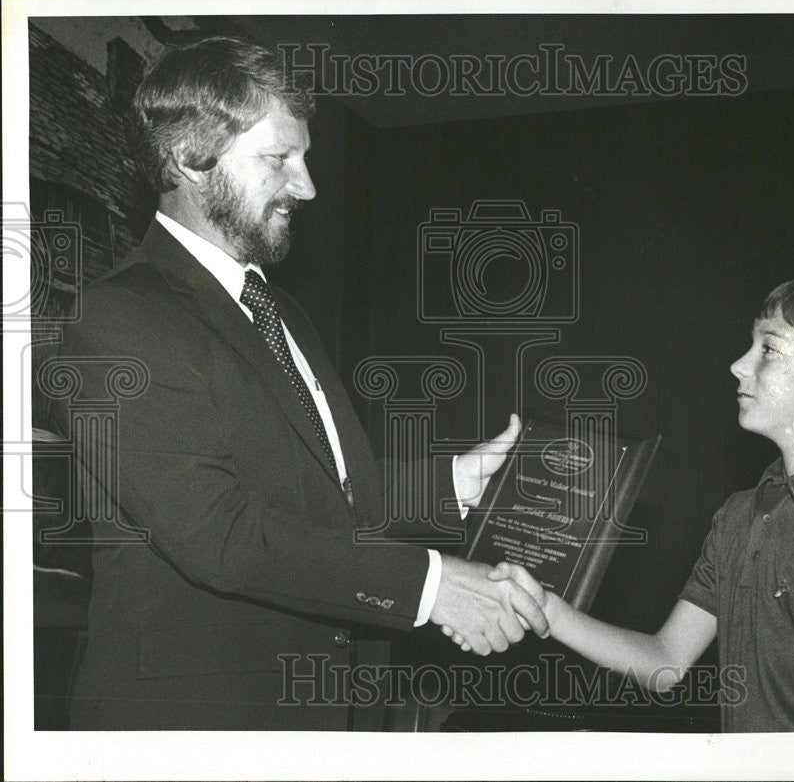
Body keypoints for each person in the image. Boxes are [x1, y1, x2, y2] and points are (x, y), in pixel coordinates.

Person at [50, 36, 547, 730]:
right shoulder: (117, 316)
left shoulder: (282, 311)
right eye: (280, 158)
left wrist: (451, 486)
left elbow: (320, 497)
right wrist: (432, 587)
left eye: (305, 158)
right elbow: (216, 532)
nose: (307, 186)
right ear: (191, 159)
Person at [485, 277, 794, 731]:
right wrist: (548, 608)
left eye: (769, 349)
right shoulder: (739, 514)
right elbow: (666, 662)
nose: (739, 365)